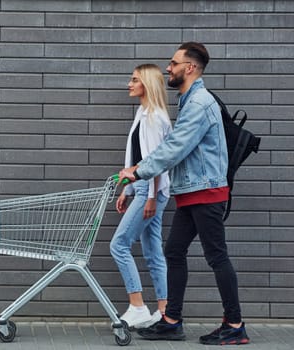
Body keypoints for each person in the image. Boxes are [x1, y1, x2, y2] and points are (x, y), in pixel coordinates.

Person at [118, 42, 250, 345]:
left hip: (206, 192)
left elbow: (174, 147)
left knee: (217, 256)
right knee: (173, 251)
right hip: (192, 192)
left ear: (189, 68)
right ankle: (171, 320)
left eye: (174, 63)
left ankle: (235, 324)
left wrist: (137, 171)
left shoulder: (200, 103)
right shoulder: (188, 100)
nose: (168, 68)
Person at [110, 64, 172, 330]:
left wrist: (148, 197)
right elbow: (136, 159)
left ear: (147, 83)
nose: (129, 84)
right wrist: (127, 189)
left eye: (134, 79)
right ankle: (163, 311)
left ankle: (137, 306)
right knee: (152, 251)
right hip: (147, 190)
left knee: (119, 244)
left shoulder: (154, 118)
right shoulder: (143, 112)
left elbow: (155, 162)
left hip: (152, 192)